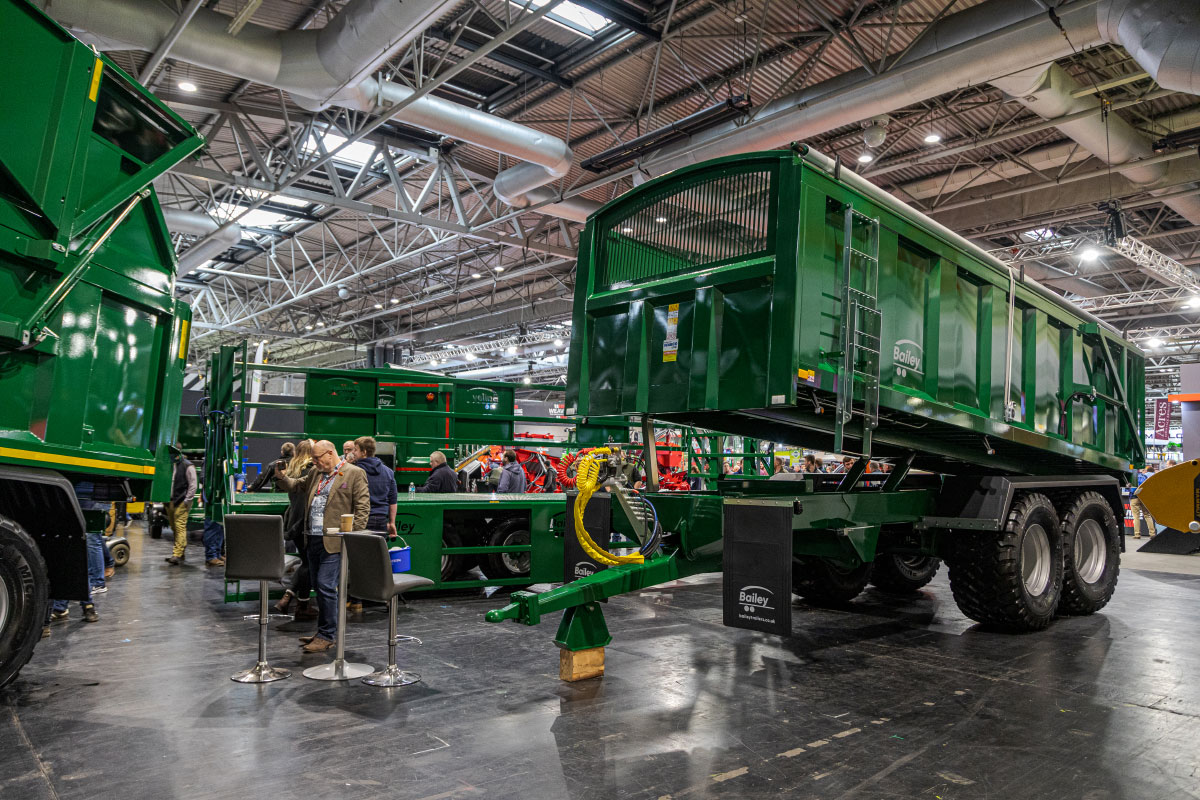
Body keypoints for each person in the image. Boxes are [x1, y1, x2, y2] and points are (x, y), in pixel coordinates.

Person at [274, 439, 370, 653]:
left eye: (317, 458)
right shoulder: (316, 473)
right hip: (312, 539)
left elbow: (363, 508)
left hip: (335, 541)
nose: (315, 462)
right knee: (318, 587)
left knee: (326, 586)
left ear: (330, 453)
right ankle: (323, 632)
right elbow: (296, 485)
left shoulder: (353, 473)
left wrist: (352, 536)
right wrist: (282, 477)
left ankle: (327, 635)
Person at [272, 440, 317, 618]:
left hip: (293, 522)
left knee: (306, 563)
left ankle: (294, 600)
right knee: (309, 564)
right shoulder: (311, 470)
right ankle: (297, 603)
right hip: (305, 523)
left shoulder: (292, 469)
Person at [353, 436, 397, 536]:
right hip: (382, 520)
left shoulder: (355, 472)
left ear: (364, 452)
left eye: (355, 450)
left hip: (362, 520)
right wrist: (392, 523)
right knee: (379, 550)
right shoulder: (389, 472)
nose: (353, 453)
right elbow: (393, 500)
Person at [164, 445, 197, 565]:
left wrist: (187, 500)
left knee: (179, 527)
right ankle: (181, 551)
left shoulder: (188, 465)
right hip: (170, 501)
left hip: (181, 501)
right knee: (174, 527)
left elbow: (193, 485)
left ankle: (177, 554)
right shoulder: (169, 464)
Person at [1132, 464, 1157, 539]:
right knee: (1147, 515)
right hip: (1143, 497)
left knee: (1136, 516)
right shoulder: (1144, 477)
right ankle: (1152, 533)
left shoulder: (1132, 477)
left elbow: (1128, 488)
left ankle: (1137, 534)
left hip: (1134, 497)